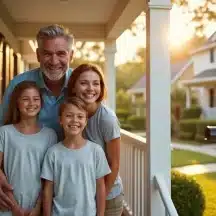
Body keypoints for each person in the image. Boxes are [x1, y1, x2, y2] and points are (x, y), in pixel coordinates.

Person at [0, 24, 73, 210]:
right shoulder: (19, 84)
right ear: (38, 55)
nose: (54, 60)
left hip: (68, 181)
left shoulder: (81, 85)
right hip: (21, 186)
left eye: (61, 53)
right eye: (47, 53)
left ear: (71, 56)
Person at [67, 64, 124, 216]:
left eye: (96, 83)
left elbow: (114, 164)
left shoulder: (106, 119)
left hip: (107, 197)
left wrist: (100, 200)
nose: (90, 88)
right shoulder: (71, 114)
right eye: (84, 83)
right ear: (73, 87)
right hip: (82, 196)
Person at [41, 97, 110, 216]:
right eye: (69, 116)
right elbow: (48, 190)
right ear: (60, 120)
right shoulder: (53, 153)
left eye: (80, 116)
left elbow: (100, 187)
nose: (74, 120)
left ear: (86, 121)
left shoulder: (96, 151)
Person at [0, 81, 57, 216]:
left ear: (41, 103)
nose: (31, 103)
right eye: (25, 99)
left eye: (36, 99)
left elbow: (49, 177)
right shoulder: (4, 133)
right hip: (8, 207)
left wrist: (38, 207)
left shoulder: (50, 135)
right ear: (17, 103)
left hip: (39, 208)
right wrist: (14, 206)